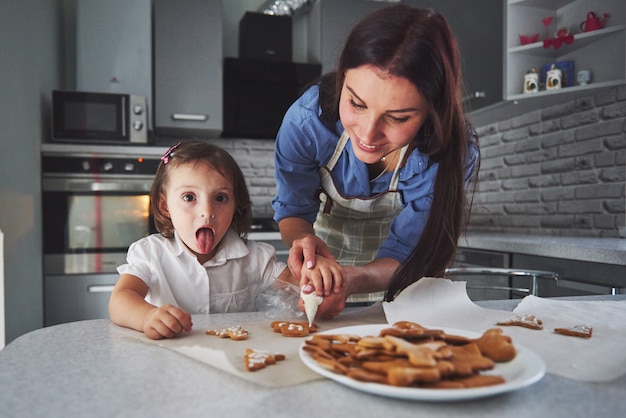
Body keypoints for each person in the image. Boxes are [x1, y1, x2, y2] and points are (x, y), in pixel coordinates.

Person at [272, 5, 480, 318]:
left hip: (405, 282)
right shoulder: (307, 122)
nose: (368, 133)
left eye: (398, 117)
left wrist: (353, 278)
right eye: (356, 103)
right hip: (321, 272)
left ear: (431, 111)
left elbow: (411, 250)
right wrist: (306, 245)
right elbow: (293, 210)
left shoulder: (449, 152)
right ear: (343, 77)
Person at [109, 140, 309, 340]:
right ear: (165, 206)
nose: (207, 212)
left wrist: (315, 280)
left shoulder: (257, 259)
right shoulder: (150, 253)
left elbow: (298, 284)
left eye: (220, 198)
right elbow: (120, 299)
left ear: (235, 205)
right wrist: (147, 316)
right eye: (189, 197)